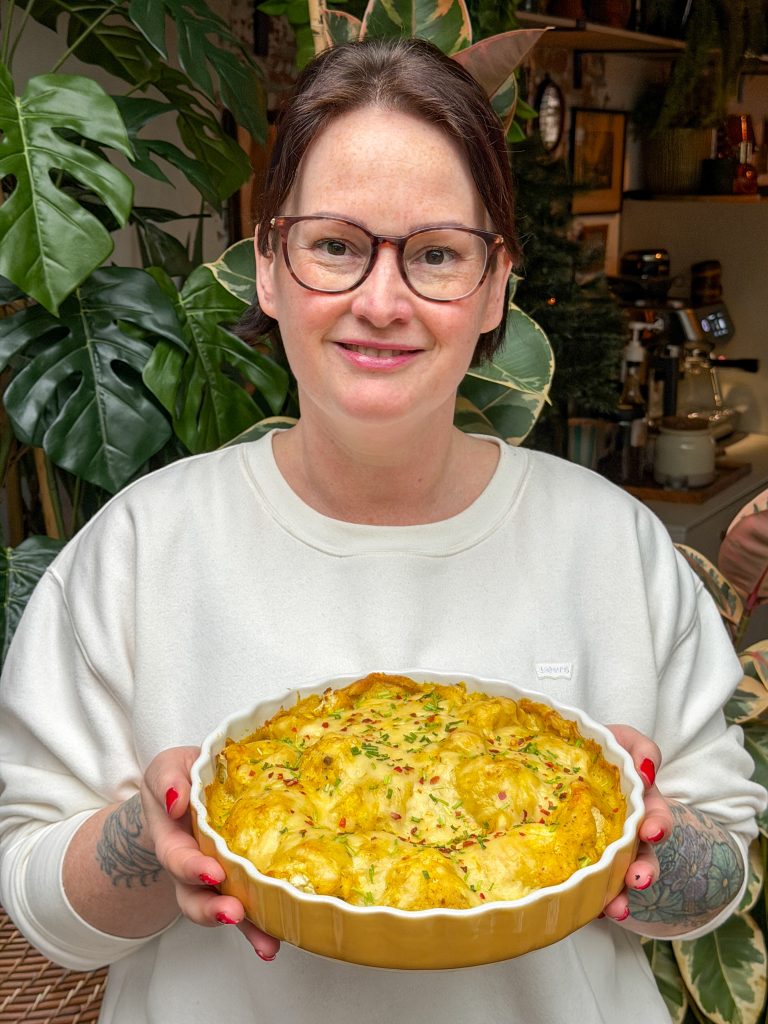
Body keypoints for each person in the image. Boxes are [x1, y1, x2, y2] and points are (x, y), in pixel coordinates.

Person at [0, 37, 764, 1024]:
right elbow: (36, 904)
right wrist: (155, 837)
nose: (382, 301)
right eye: (336, 245)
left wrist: (649, 842)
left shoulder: (612, 545)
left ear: (495, 289)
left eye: (438, 253)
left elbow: (720, 873)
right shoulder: (143, 546)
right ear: (269, 267)